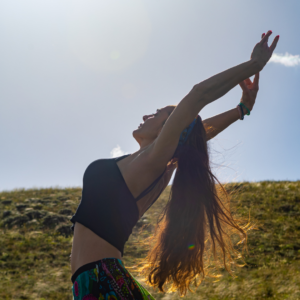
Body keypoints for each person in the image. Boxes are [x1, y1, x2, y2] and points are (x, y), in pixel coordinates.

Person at [69, 31, 279, 299]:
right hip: (95, 282)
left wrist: (254, 65)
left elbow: (198, 95)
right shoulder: (150, 163)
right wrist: (241, 110)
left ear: (169, 129)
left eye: (158, 114)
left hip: (103, 282)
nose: (147, 115)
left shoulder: (154, 163)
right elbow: (197, 134)